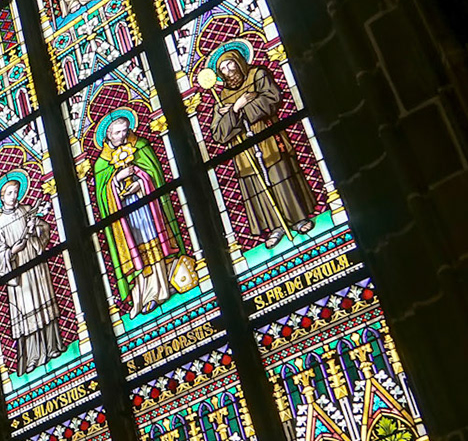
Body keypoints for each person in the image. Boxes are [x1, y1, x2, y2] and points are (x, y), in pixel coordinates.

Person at [205, 51, 319, 246]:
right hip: (244, 153)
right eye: (222, 69)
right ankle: (276, 228)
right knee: (258, 188)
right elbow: (219, 134)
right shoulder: (221, 97)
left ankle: (298, 219)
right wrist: (235, 108)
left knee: (281, 178)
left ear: (240, 62)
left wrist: (239, 112)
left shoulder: (257, 75)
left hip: (269, 140)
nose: (228, 71)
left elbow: (272, 100)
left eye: (230, 65)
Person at [94, 113, 190, 315]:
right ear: (108, 134)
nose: (122, 135)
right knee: (137, 249)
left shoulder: (141, 146)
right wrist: (116, 180)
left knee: (155, 242)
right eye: (118, 132)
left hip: (148, 208)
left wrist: (141, 182)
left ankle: (166, 285)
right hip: (126, 217)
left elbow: (155, 173)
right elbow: (103, 197)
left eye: (125, 130)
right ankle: (146, 294)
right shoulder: (100, 165)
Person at [0, 176, 65, 371]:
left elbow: (44, 229)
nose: (13, 196)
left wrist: (35, 229)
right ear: (1, 197)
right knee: (27, 310)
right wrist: (13, 251)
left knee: (43, 302)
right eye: (9, 193)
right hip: (19, 274)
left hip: (36, 265)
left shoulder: (26, 211)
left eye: (16, 192)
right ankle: (33, 357)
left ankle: (53, 346)